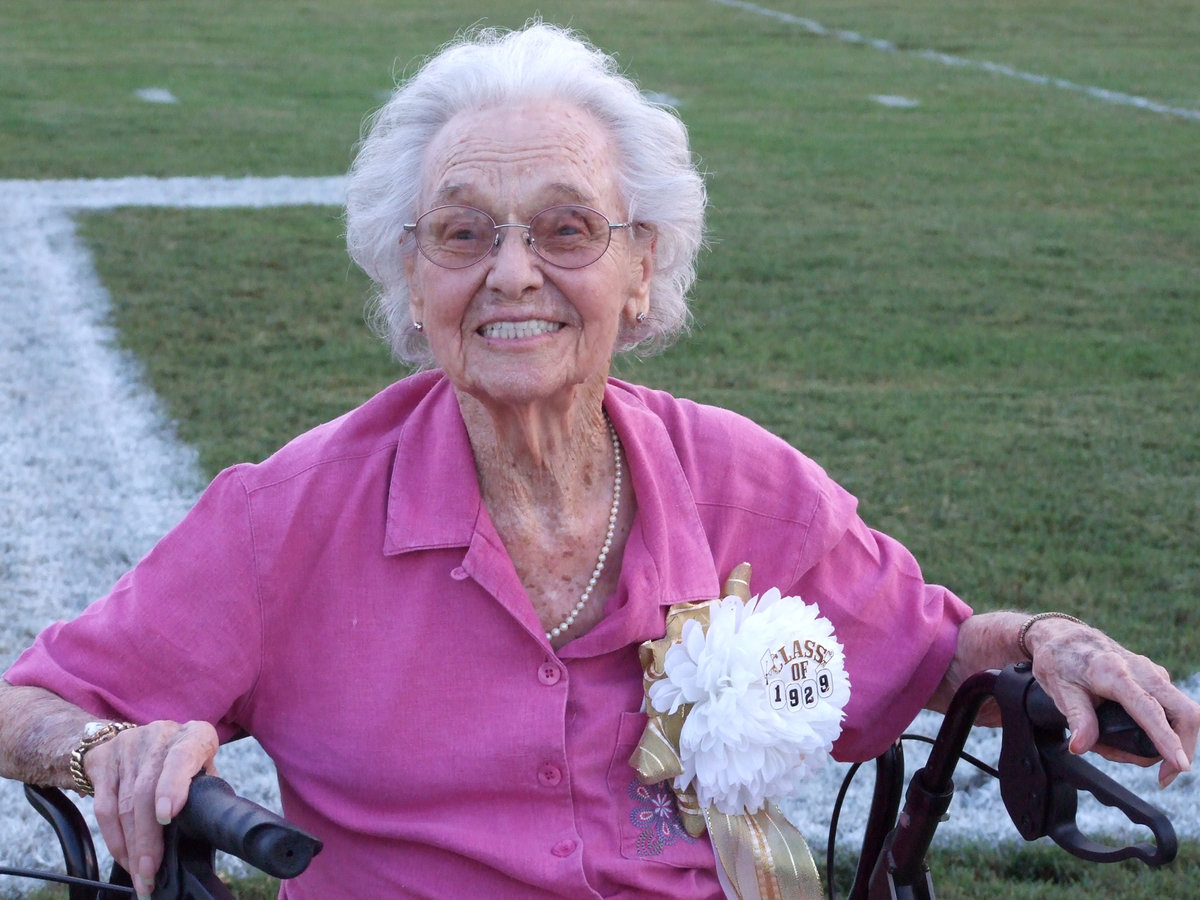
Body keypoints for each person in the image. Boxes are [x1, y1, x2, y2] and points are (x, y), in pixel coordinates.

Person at [0, 21, 1195, 900]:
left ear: (641, 269)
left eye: (567, 229)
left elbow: (939, 653)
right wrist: (103, 749)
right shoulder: (289, 518)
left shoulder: (741, 484)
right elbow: (25, 705)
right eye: (463, 233)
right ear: (413, 280)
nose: (513, 273)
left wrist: (1050, 639)